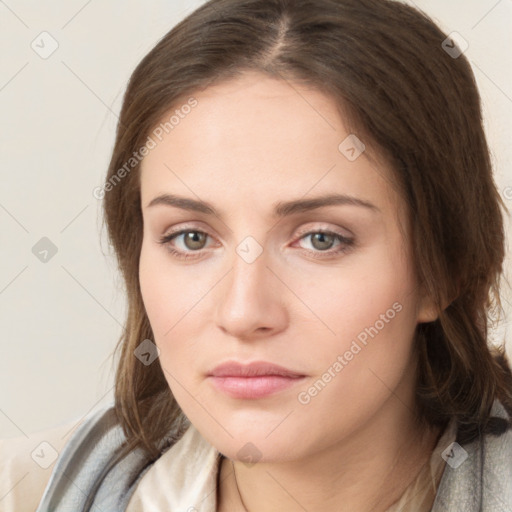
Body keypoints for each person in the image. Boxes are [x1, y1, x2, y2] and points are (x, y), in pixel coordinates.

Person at [2, 0, 511, 510]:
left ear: (444, 269)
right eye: (191, 238)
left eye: (321, 239)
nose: (243, 313)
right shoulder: (22, 492)